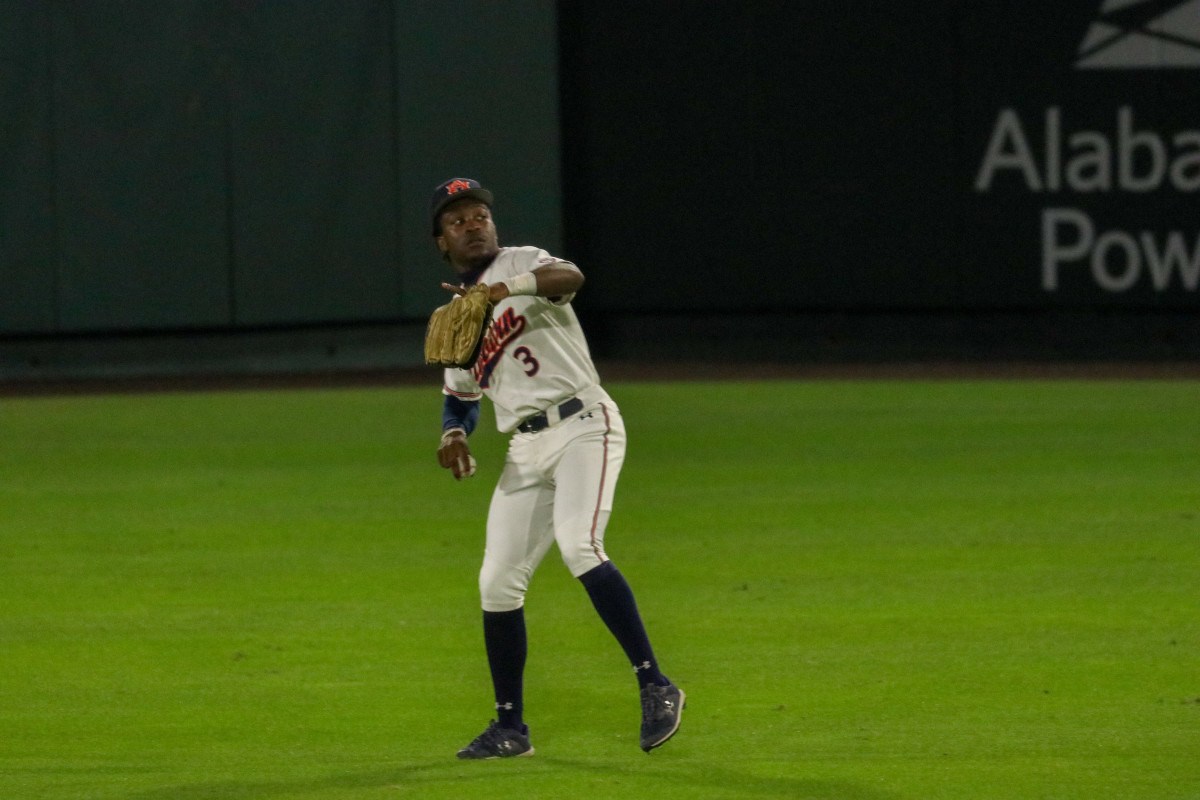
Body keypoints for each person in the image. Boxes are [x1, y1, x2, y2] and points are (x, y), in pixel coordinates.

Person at [429, 177, 685, 759]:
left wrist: (506, 288)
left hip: (583, 425)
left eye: (479, 215)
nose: (472, 224)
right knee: (496, 583)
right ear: (441, 242)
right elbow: (461, 394)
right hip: (524, 447)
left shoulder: (524, 262)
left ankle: (656, 685)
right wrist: (452, 432)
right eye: (456, 220)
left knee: (579, 544)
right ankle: (510, 729)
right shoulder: (454, 315)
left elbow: (571, 279)